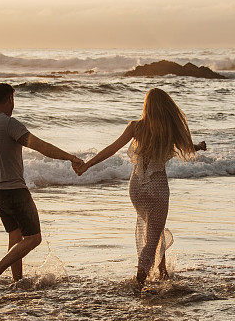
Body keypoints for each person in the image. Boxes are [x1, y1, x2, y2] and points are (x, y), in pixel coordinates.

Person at [74, 88, 206, 286]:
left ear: (146, 106)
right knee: (152, 238)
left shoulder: (135, 127)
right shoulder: (168, 129)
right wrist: (198, 146)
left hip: (136, 187)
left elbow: (112, 148)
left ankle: (162, 272)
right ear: (166, 107)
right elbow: (185, 147)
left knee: (153, 228)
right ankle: (139, 282)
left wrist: (87, 165)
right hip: (157, 186)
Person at [0, 82, 82, 297]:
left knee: (15, 237)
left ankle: (17, 282)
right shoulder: (8, 123)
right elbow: (40, 146)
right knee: (34, 238)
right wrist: (70, 157)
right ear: (10, 99)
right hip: (14, 190)